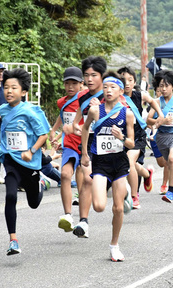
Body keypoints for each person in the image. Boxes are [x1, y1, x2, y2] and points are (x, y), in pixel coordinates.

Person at [81, 71, 135, 261]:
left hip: (119, 162)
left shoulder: (127, 113)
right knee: (99, 206)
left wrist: (122, 137)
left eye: (112, 87)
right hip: (101, 162)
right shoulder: (96, 110)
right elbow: (86, 128)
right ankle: (123, 190)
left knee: (118, 209)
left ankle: (114, 245)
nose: (108, 90)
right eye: (105, 87)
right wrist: (85, 153)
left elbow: (131, 143)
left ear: (121, 91)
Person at [0, 68, 50, 255]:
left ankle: (41, 183)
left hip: (29, 163)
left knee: (33, 203)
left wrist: (32, 150)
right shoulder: (3, 110)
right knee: (10, 196)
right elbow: (6, 129)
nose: (9, 91)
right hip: (11, 160)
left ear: (24, 92)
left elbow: (43, 134)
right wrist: (2, 146)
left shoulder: (31, 111)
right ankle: (13, 240)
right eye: (6, 87)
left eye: (13, 87)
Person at [117, 66, 164, 208]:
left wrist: (160, 114)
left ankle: (134, 196)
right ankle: (147, 174)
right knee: (130, 165)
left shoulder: (139, 95)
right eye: (123, 80)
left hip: (137, 136)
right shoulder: (113, 97)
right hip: (120, 137)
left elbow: (152, 101)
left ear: (134, 82)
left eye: (130, 80)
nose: (126, 83)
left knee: (129, 162)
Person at [71, 56, 107, 238]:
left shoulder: (111, 95)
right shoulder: (83, 98)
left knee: (104, 186)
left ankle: (124, 193)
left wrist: (99, 109)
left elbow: (121, 119)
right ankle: (83, 222)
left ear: (102, 76)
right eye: (86, 75)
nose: (90, 79)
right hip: (90, 143)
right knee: (87, 179)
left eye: (94, 75)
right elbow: (76, 123)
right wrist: (78, 128)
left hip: (109, 144)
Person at [50, 66, 85, 232]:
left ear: (81, 84)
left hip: (86, 144)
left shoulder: (87, 99)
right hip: (69, 144)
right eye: (67, 83)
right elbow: (63, 116)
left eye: (74, 83)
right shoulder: (62, 102)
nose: (70, 86)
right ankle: (68, 215)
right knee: (65, 174)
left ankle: (84, 220)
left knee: (83, 180)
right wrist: (54, 132)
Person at [148, 69, 173, 203]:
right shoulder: (156, 102)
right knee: (168, 163)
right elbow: (148, 120)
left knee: (172, 159)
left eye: (166, 86)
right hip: (161, 137)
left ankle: (170, 192)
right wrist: (161, 121)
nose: (163, 89)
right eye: (161, 86)